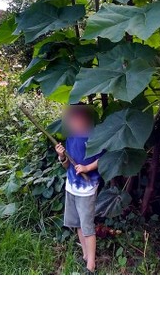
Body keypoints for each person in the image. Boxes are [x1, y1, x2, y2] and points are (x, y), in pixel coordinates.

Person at [55, 105, 102, 274]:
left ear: (85, 118)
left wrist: (87, 168)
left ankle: (91, 265)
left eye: (76, 118)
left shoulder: (94, 137)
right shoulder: (71, 138)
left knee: (87, 226)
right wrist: (62, 156)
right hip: (71, 187)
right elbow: (67, 165)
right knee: (78, 224)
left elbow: (103, 159)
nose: (73, 122)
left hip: (87, 189)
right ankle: (85, 255)